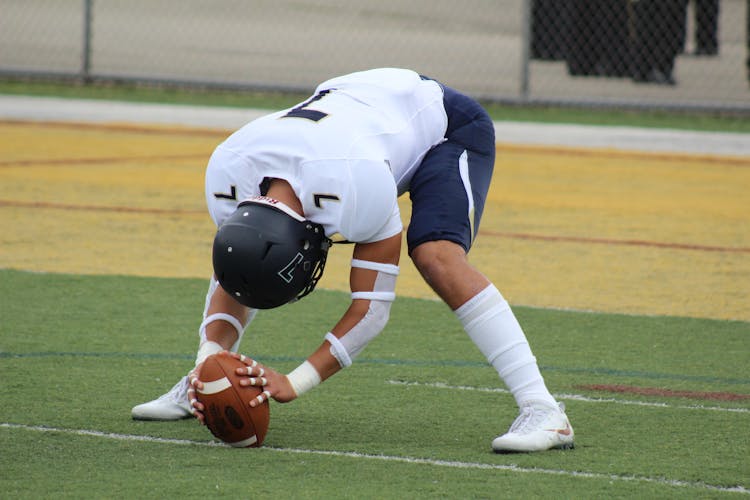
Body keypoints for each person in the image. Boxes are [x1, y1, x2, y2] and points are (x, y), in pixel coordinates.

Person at [131, 68, 574, 453]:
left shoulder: (354, 185)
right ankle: (195, 380)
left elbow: (372, 307)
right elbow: (236, 270)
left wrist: (296, 380)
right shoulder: (231, 173)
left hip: (444, 126)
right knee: (241, 253)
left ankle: (543, 410)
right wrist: (209, 368)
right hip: (361, 113)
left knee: (435, 255)